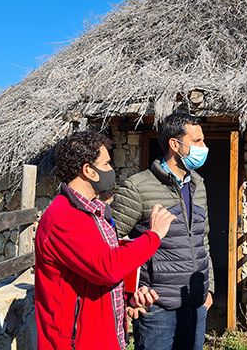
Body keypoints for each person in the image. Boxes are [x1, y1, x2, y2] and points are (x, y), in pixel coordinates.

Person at [34, 130, 176, 350]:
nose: (112, 170)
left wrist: (128, 295)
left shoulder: (94, 211)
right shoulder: (64, 218)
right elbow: (107, 267)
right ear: (89, 170)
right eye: (107, 164)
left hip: (103, 338)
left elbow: (98, 264)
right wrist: (153, 236)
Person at [111, 112, 213, 350]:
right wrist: (132, 292)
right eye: (197, 141)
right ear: (175, 144)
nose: (204, 147)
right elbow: (112, 244)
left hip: (196, 304)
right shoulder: (137, 187)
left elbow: (202, 240)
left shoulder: (199, 185)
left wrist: (210, 290)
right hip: (157, 308)